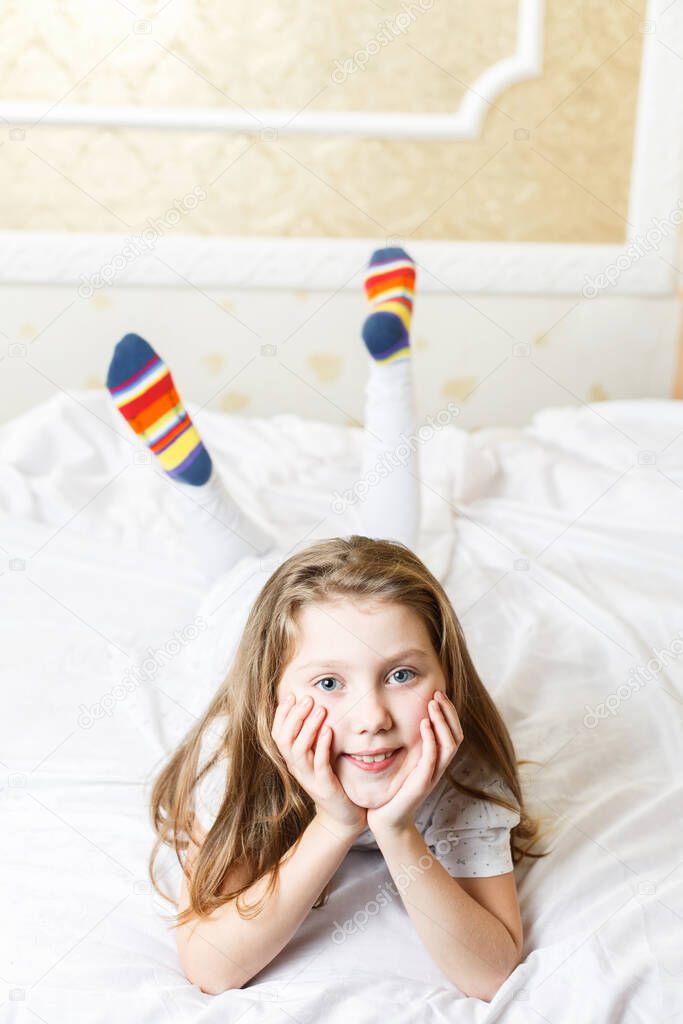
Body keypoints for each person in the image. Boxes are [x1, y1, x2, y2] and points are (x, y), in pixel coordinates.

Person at [106, 247, 548, 1000]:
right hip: (245, 615)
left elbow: (491, 971)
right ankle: (195, 478)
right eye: (328, 684)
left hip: (302, 621)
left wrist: (400, 830)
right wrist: (336, 824)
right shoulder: (240, 753)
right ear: (275, 696)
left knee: (394, 558)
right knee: (242, 574)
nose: (371, 718)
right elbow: (211, 967)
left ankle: (370, 373)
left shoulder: (453, 754)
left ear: (447, 671)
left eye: (402, 673)